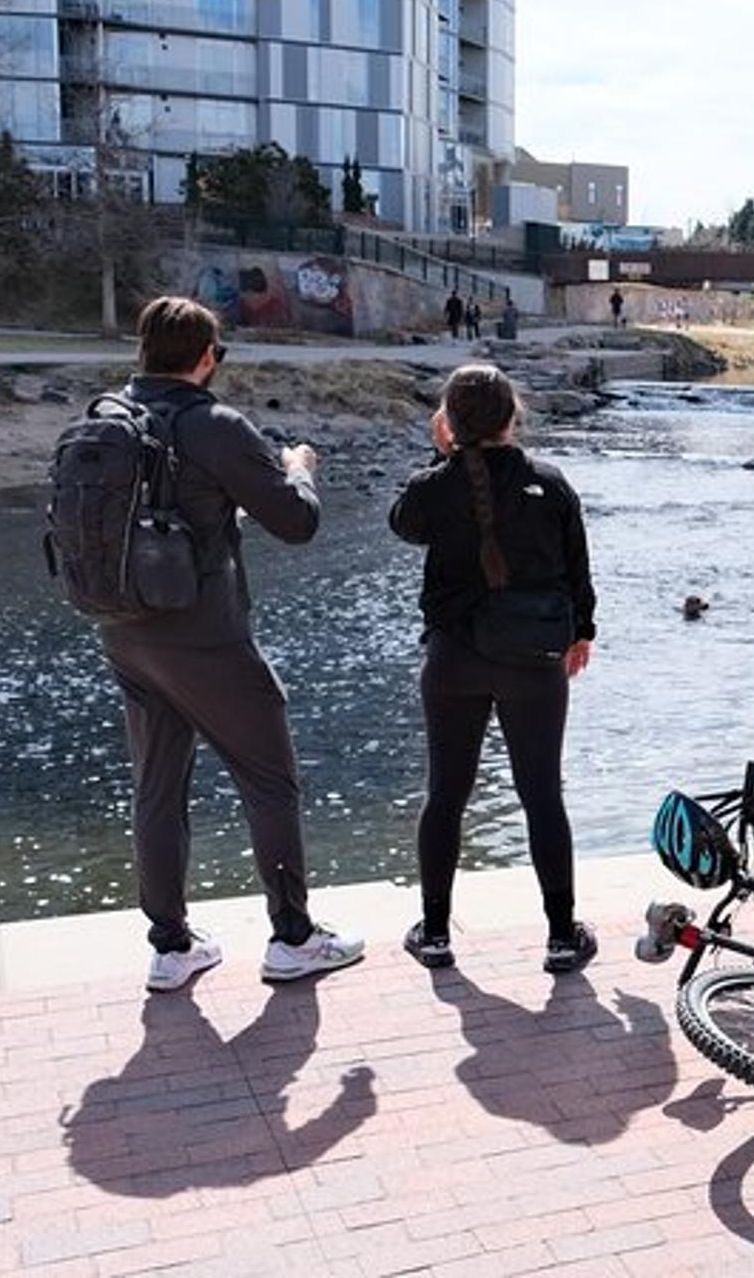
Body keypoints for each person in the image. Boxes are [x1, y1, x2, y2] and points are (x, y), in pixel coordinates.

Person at [100, 298, 366, 991]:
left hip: (126, 631)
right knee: (270, 782)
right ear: (207, 356)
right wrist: (298, 465)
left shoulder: (107, 416)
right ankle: (294, 939)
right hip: (207, 637)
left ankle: (171, 946)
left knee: (155, 790)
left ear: (143, 349)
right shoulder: (214, 424)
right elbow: (298, 522)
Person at [388, 365, 599, 973]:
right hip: (535, 662)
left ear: (449, 425)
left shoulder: (435, 486)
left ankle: (434, 934)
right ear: (514, 417)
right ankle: (561, 937)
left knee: (446, 795)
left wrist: (441, 456)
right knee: (541, 796)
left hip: (454, 660)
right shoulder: (550, 484)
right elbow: (577, 573)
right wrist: (582, 634)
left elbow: (403, 523)